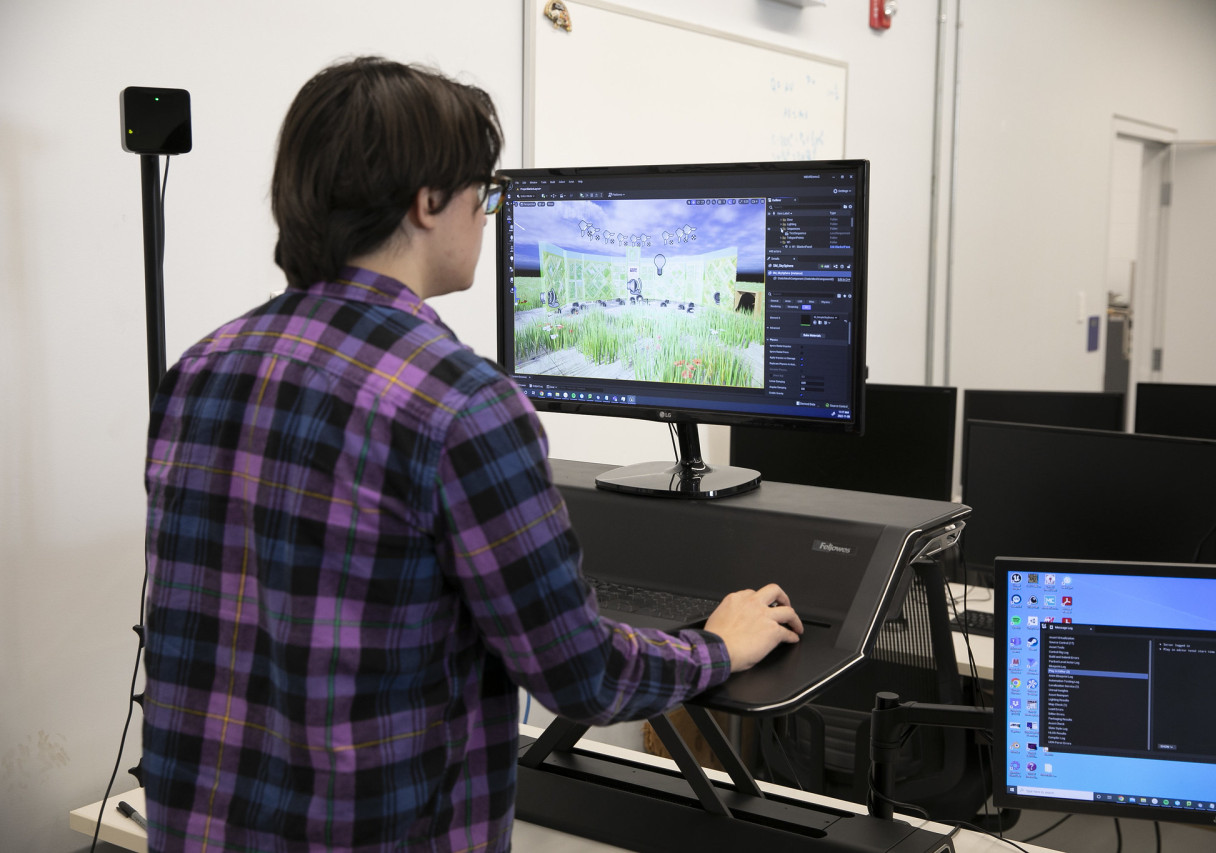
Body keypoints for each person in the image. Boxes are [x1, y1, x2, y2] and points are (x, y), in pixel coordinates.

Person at [141, 56, 801, 852]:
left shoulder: (204, 366)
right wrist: (719, 644)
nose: (487, 217)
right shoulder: (460, 403)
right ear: (427, 202)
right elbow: (580, 674)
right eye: (484, 195)